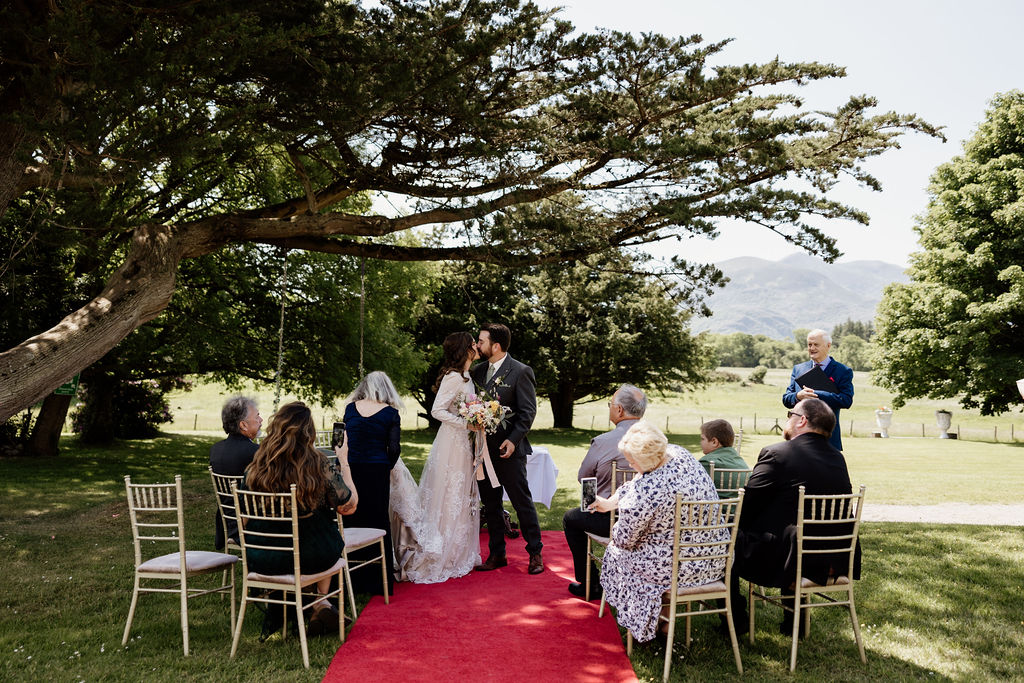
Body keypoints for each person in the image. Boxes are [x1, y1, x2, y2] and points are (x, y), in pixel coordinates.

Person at [728, 398, 860, 635]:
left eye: (790, 414)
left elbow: (746, 506)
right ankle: (793, 624)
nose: (786, 419)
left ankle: (734, 622)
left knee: (727, 535)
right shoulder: (837, 458)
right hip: (835, 556)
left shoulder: (777, 453)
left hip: (791, 559)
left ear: (802, 420)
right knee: (789, 532)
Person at [594, 421, 725, 643]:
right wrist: (609, 504)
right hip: (712, 561)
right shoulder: (679, 454)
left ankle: (648, 622)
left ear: (647, 460)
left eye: (633, 460)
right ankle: (663, 618)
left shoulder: (648, 491)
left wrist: (616, 528)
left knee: (617, 554)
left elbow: (624, 539)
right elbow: (634, 485)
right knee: (654, 549)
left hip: (676, 571)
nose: (630, 463)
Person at [242, 401, 358, 638]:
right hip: (303, 558)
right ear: (309, 432)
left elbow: (244, 521)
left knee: (314, 527)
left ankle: (320, 605)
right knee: (328, 532)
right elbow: (349, 507)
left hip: (261, 556)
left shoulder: (256, 466)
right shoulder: (317, 464)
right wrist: (343, 460)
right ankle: (321, 602)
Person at [390, 332, 483, 583]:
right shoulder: (453, 377)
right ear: (465, 349)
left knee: (462, 493)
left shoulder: (467, 376)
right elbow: (437, 410)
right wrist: (466, 424)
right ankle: (442, 551)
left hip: (464, 443)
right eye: (473, 343)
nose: (477, 345)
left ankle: (459, 549)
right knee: (449, 493)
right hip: (451, 442)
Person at [471, 322, 544, 574]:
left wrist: (512, 440)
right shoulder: (477, 372)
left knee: (521, 502)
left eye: (481, 341)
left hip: (509, 450)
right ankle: (497, 554)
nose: (477, 345)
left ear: (496, 345)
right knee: (490, 504)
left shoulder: (521, 371)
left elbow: (527, 412)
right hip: (483, 451)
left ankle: (535, 552)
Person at [563, 384, 646, 600]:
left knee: (571, 518)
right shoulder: (656, 441)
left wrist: (591, 500)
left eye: (611, 405)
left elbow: (583, 478)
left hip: (611, 520)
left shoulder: (603, 442)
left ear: (619, 410)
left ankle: (588, 581)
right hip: (647, 520)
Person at [342, 371, 402, 596]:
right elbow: (394, 448)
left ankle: (353, 579)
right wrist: (386, 465)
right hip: (376, 469)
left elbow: (344, 440)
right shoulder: (390, 413)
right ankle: (379, 581)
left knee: (353, 518)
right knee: (378, 521)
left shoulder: (350, 409)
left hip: (352, 468)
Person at [783, 329, 854, 451]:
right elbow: (786, 399)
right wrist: (798, 396)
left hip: (828, 438)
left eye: (816, 344)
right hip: (799, 437)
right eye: (809, 345)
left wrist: (816, 394)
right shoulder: (798, 369)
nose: (812, 348)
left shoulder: (843, 371)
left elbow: (846, 401)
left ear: (828, 346)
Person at [209, 395, 261, 550]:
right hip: (251, 523)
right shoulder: (257, 453)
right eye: (257, 416)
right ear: (243, 425)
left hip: (227, 521)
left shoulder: (216, 450)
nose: (261, 420)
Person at [698, 419, 749, 497]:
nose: (700, 442)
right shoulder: (740, 462)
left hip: (716, 508)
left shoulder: (706, 463)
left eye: (702, 439)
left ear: (714, 442)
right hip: (740, 508)